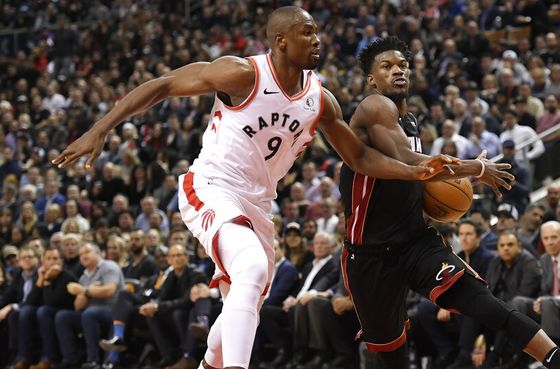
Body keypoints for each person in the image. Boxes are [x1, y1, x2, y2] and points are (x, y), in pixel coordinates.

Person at [51, 7, 456, 369]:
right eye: (307, 33)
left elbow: (362, 159)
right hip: (212, 185)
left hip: (259, 206)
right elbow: (164, 84)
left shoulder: (320, 99)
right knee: (252, 269)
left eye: (317, 33)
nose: (317, 40)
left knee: (241, 308)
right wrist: (98, 130)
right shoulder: (243, 73)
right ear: (281, 40)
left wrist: (417, 173)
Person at [339, 37, 560, 369]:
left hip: (415, 243)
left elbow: (411, 185)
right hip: (370, 255)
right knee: (392, 357)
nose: (397, 71)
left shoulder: (410, 121)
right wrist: (476, 167)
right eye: (387, 66)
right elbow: (412, 163)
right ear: (371, 80)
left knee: (489, 306)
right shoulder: (373, 106)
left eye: (402, 65)